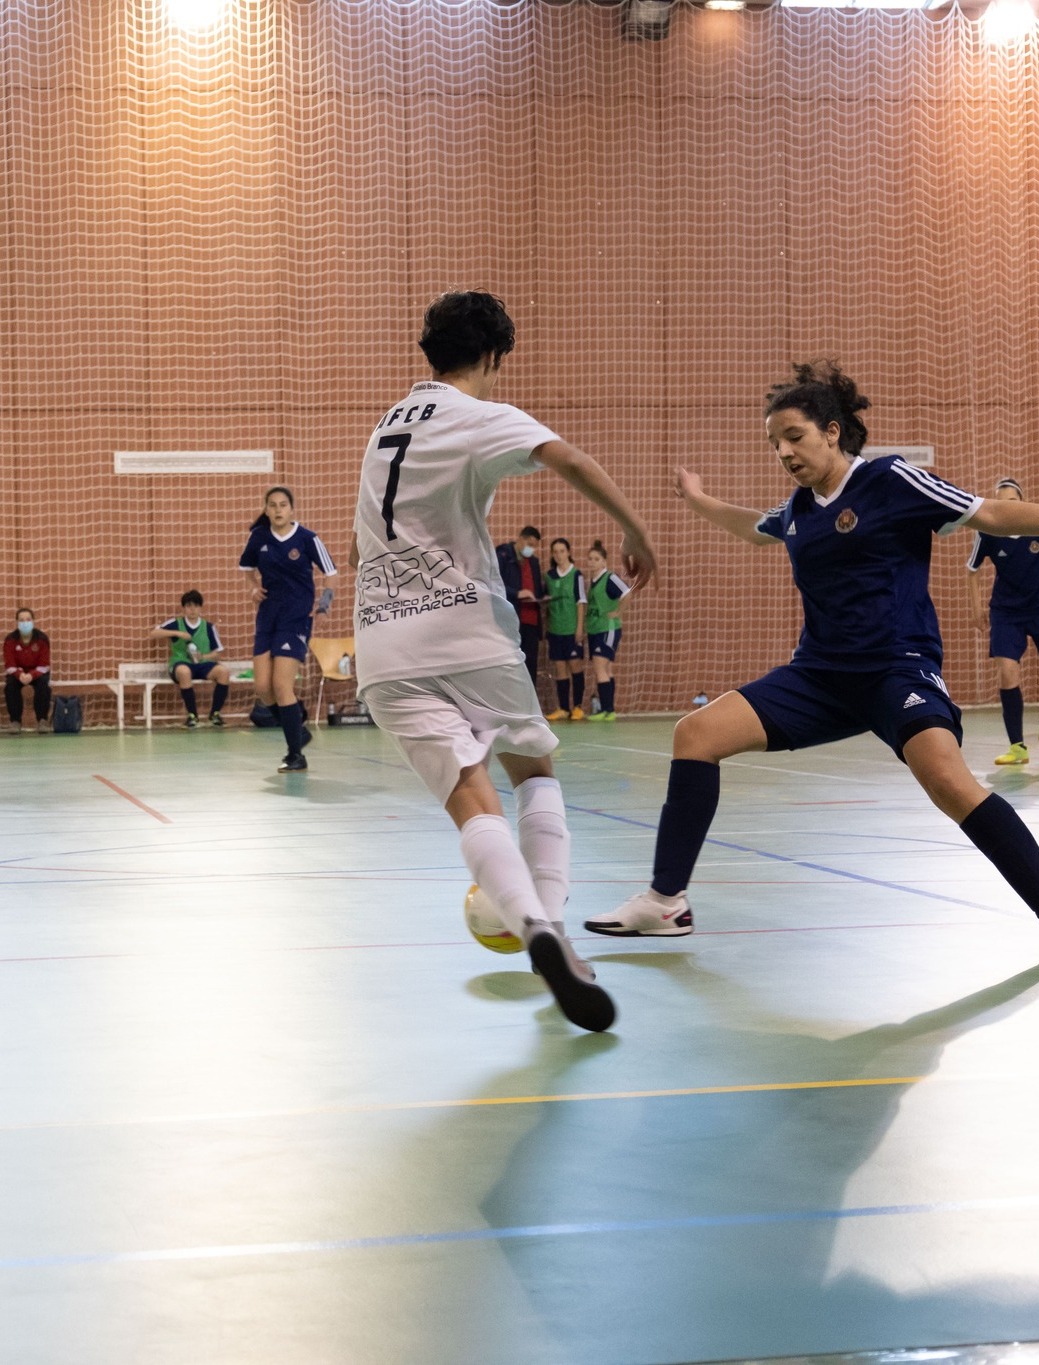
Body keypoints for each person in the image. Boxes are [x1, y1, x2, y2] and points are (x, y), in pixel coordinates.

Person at [584, 362, 1039, 965]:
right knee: (695, 734)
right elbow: (755, 529)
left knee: (950, 783)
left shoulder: (892, 480)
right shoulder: (800, 508)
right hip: (818, 676)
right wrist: (697, 500)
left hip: (897, 668)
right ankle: (666, 901)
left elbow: (990, 514)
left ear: (831, 431)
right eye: (774, 442)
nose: (783, 451)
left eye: (794, 436)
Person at [350, 289, 659, 1032]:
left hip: (381, 644)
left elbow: (359, 537)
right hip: (463, 628)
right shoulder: (475, 414)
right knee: (533, 769)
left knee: (468, 796)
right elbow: (569, 459)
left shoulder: (385, 425)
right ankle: (550, 921)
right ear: (491, 357)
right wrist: (635, 529)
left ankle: (532, 929)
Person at [965, 478, 1039, 765]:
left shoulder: (1037, 522)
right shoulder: (988, 530)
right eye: (1002, 500)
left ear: (1022, 502)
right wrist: (976, 608)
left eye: (1013, 500)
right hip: (1006, 612)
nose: (1008, 506)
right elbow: (972, 570)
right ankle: (1017, 747)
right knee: (1008, 674)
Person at [239, 485, 338, 772]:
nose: (278, 509)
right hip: (267, 617)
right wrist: (253, 588)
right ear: (266, 509)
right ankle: (296, 723)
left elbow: (331, 574)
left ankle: (296, 754)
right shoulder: (258, 538)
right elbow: (246, 568)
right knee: (262, 689)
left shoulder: (307, 539)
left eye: (283, 504)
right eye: (272, 505)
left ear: (292, 509)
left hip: (295, 619)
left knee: (282, 686)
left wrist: (324, 603)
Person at [151, 590, 233, 728]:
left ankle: (215, 714)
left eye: (196, 606)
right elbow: (153, 634)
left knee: (223, 672)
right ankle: (192, 715)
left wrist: (204, 656)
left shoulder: (208, 627)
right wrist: (177, 633)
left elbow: (218, 652)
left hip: (202, 664)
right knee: (184, 672)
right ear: (184, 608)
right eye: (189, 606)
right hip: (180, 662)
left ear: (201, 607)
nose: (192, 609)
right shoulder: (175, 623)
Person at [584, 540, 631, 722]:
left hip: (608, 629)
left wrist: (618, 612)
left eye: (596, 559)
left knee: (599, 667)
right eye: (590, 559)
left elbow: (627, 593)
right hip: (596, 629)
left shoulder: (609, 578)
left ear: (604, 562)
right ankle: (609, 710)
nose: (592, 562)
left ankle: (606, 709)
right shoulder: (593, 581)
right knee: (606, 669)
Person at [543, 536, 587, 722]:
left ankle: (577, 707)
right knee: (560, 668)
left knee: (575, 666)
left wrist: (579, 628)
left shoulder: (576, 575)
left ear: (568, 552)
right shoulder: (549, 576)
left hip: (571, 629)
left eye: (562, 551)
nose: (559, 555)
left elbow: (580, 602)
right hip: (555, 629)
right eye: (556, 552)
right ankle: (563, 707)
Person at [496, 526, 545, 682]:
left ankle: (530, 704)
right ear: (520, 538)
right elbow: (495, 586)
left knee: (531, 665)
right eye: (530, 544)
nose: (532, 549)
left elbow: (536, 589)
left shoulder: (534, 563)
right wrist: (517, 593)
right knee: (511, 665)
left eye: (535, 546)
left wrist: (543, 597)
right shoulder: (503, 555)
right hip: (511, 620)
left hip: (531, 620)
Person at [5, 607, 51, 734]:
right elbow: (9, 665)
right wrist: (20, 675)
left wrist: (32, 675)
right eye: (21, 620)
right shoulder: (10, 640)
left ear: (33, 621)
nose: (25, 623)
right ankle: (15, 722)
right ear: (17, 622)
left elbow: (44, 665)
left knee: (43, 684)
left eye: (28, 619)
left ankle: (42, 720)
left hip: (37, 673)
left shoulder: (42, 639)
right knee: (10, 685)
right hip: (18, 673)